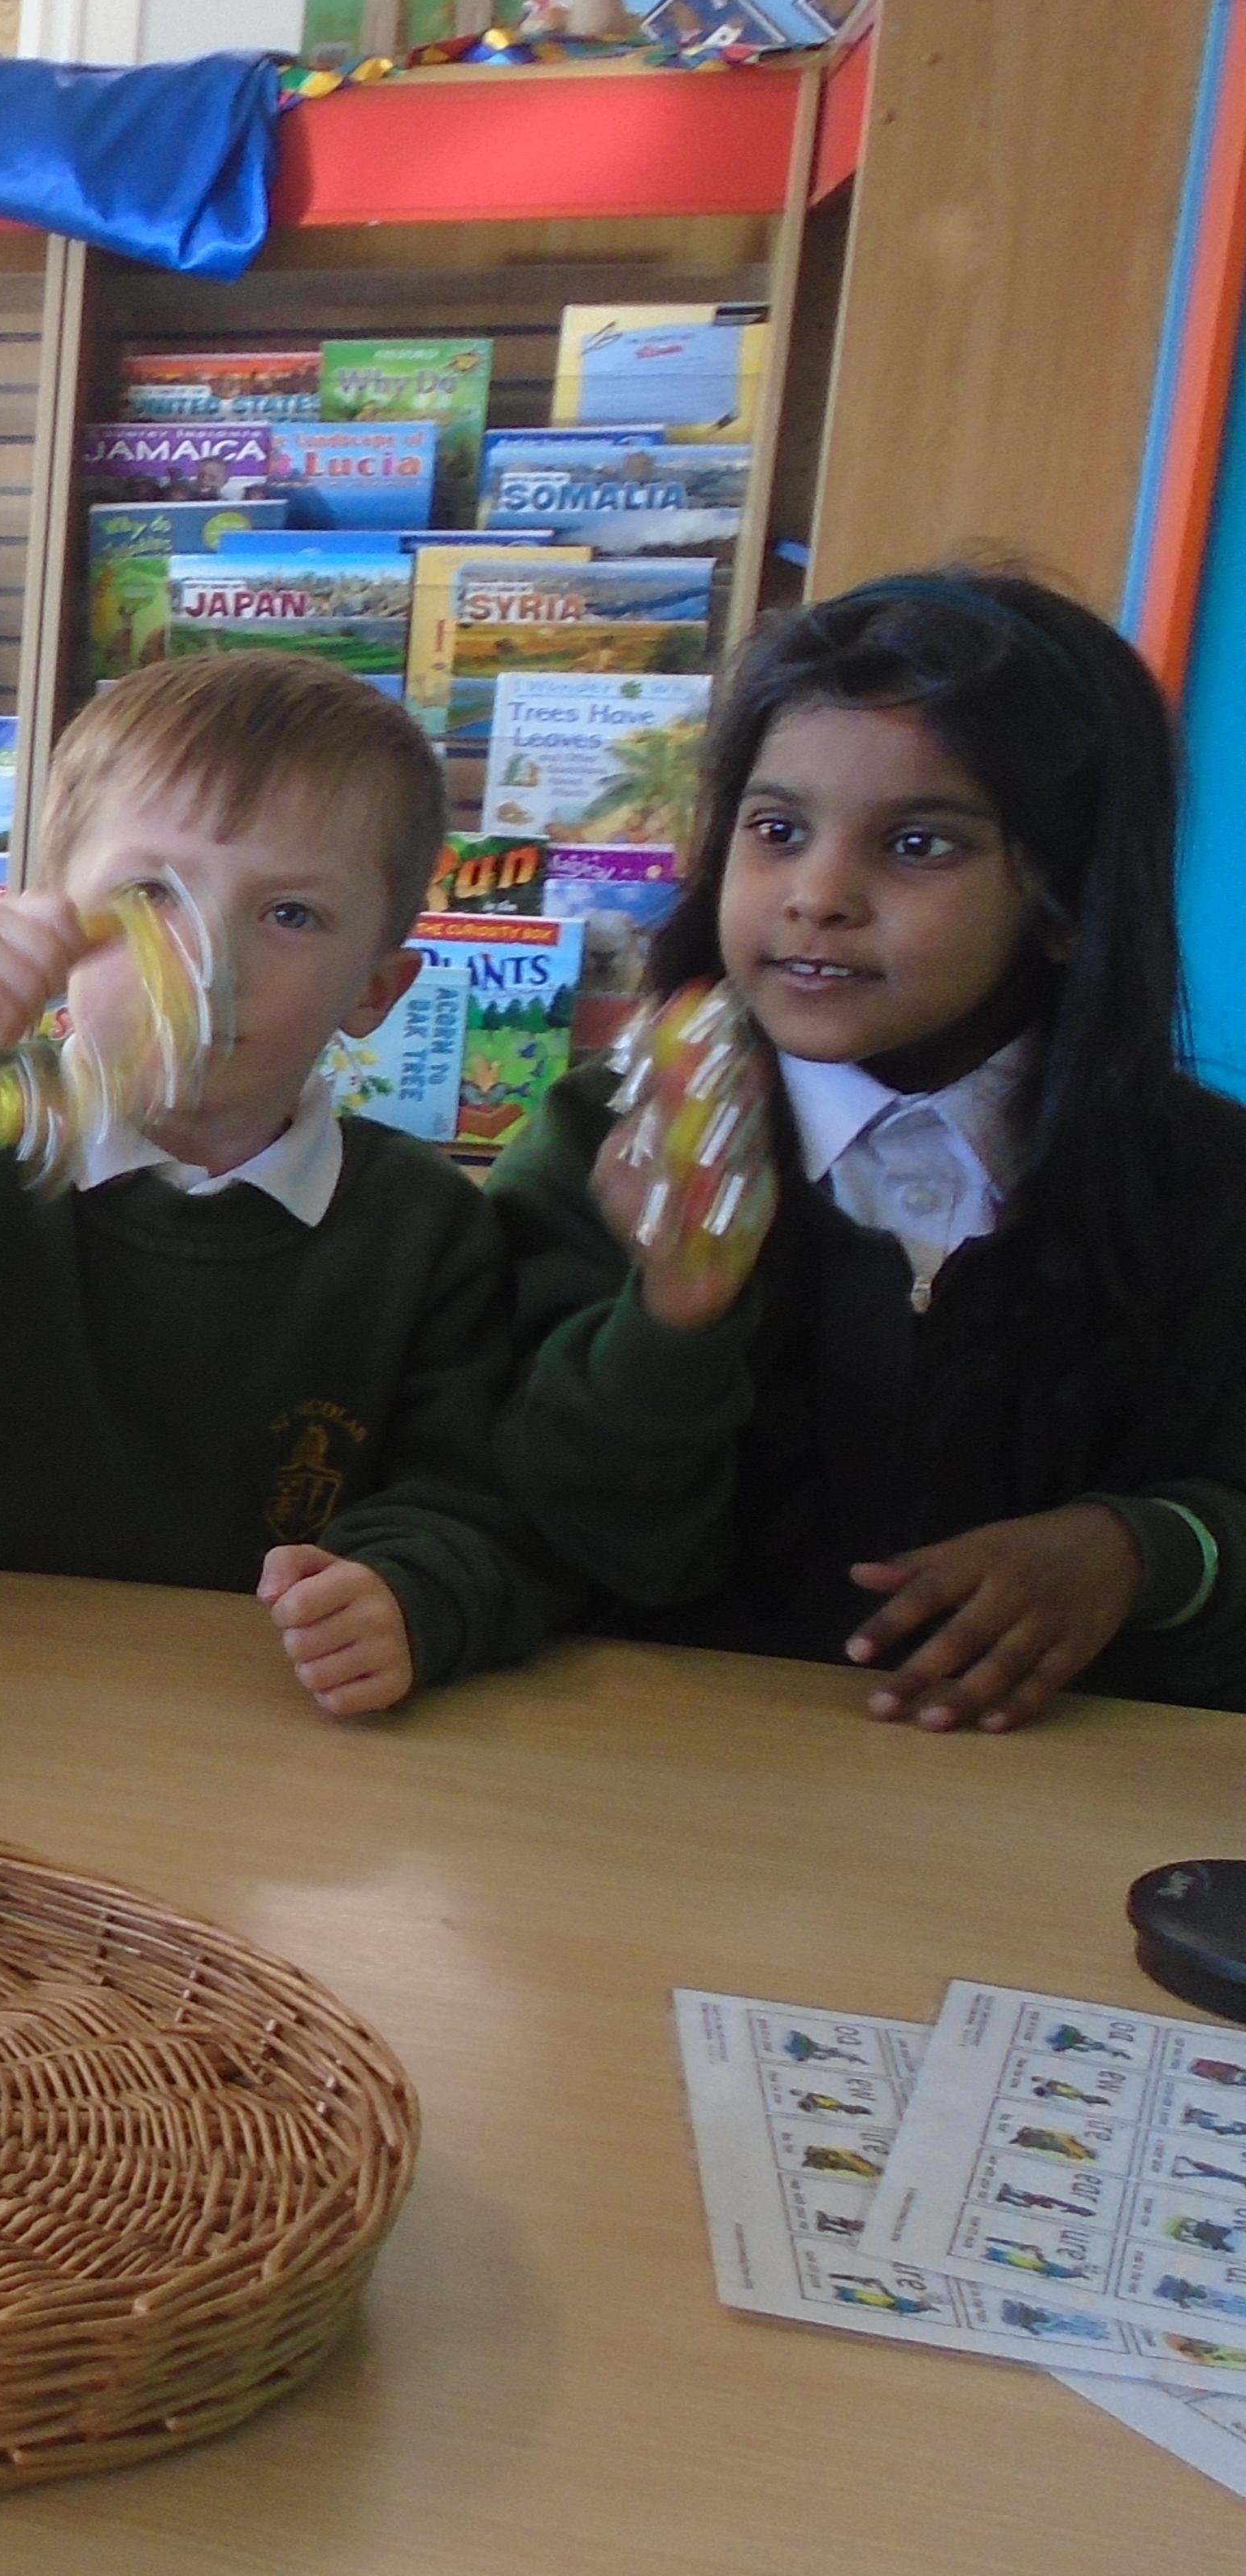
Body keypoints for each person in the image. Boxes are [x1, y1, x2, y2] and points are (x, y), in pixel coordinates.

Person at [0, 648, 558, 1714]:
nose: (206, 966)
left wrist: (407, 1594)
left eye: (290, 915)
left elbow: (474, 1506)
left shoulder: (427, 1233)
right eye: (150, 896)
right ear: (48, 926)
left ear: (376, 989)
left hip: (247, 1728)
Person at [488, 569, 1246, 1726]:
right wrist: (674, 1322)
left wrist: (1142, 1553)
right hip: (671, 1769)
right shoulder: (605, 1143)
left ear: (1065, 902)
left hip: (1051, 1793)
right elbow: (569, 1543)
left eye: (918, 844)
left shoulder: (1208, 1187)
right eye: (777, 831)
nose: (819, 894)